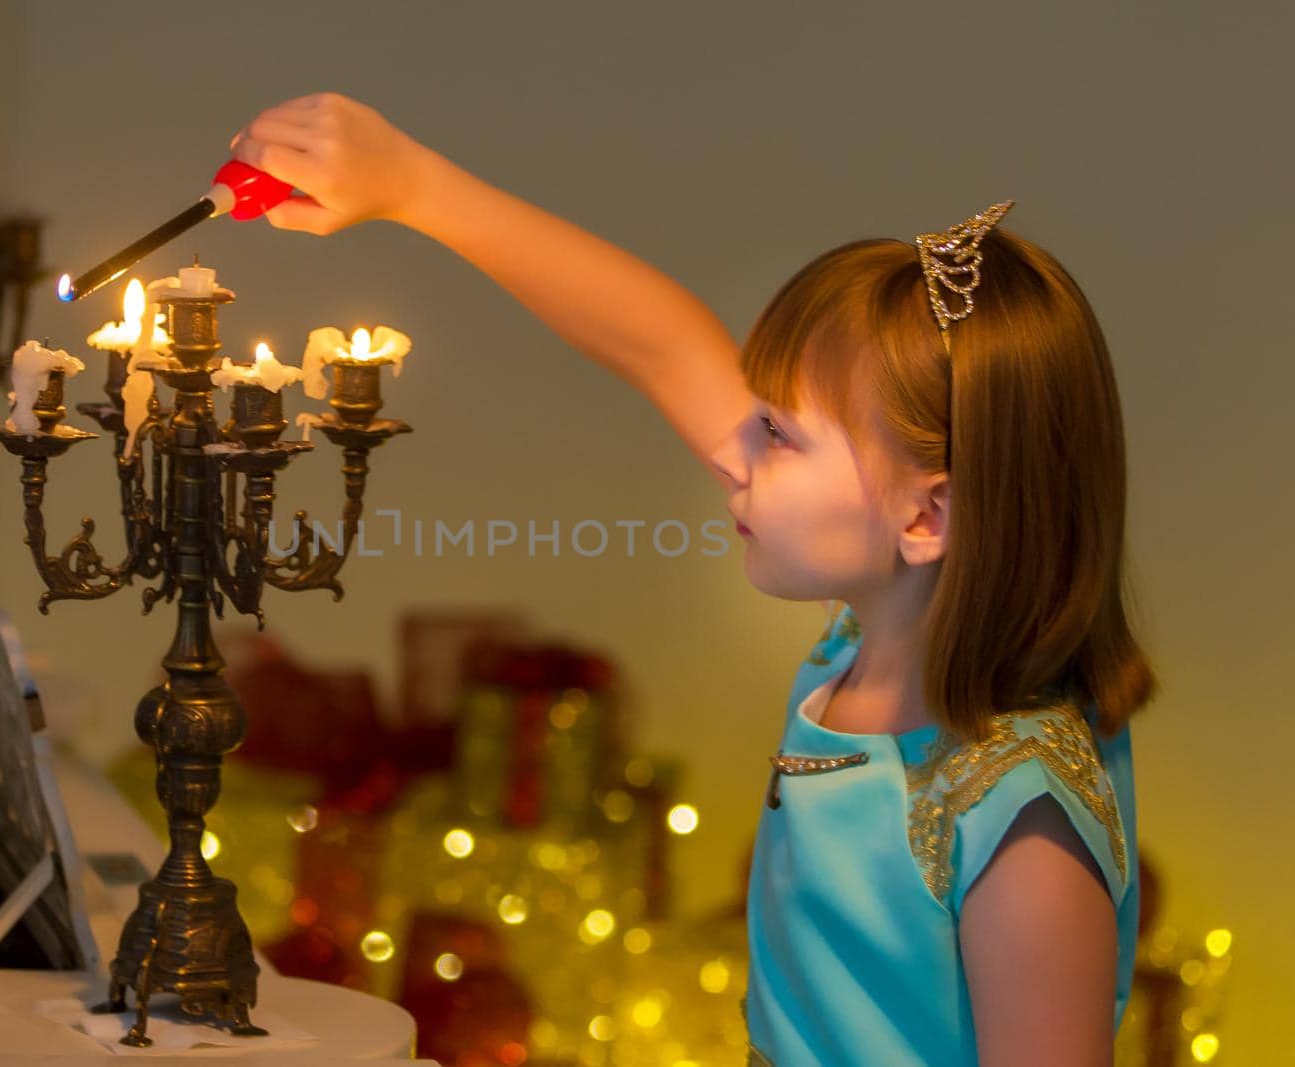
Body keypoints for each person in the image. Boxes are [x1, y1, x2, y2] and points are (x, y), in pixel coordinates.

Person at [227, 91, 1158, 1067]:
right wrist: (414, 186)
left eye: (779, 433)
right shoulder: (868, 640)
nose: (735, 452)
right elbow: (661, 341)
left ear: (926, 517)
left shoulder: (1022, 830)